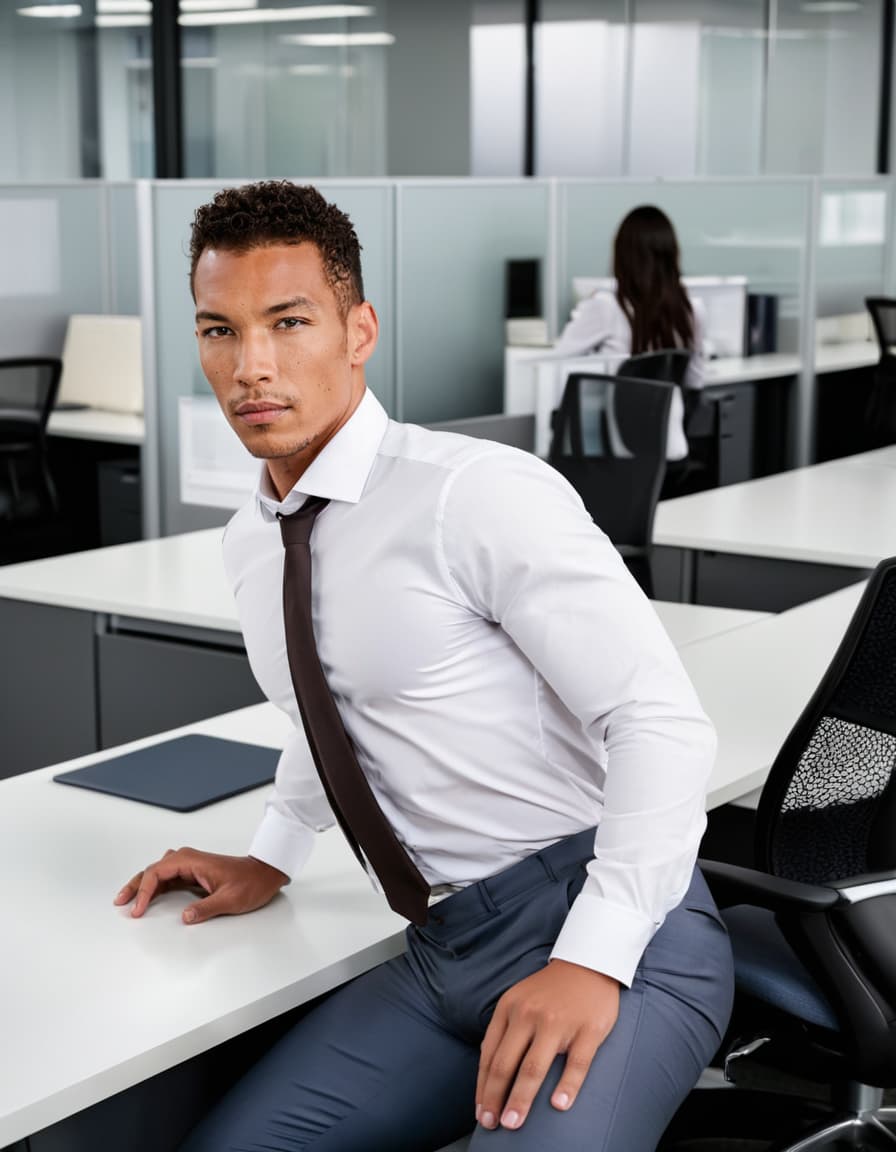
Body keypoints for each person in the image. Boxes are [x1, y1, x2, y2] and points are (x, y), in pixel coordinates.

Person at [114, 180, 733, 1152]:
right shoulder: (253, 538)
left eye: (288, 322)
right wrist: (274, 854)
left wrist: (592, 957)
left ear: (358, 331)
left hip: (613, 930)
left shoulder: (473, 493)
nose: (251, 365)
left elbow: (658, 721)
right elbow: (331, 709)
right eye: (219, 331)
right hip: (445, 951)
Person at [554, 204, 706, 461]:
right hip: (664, 438)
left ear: (622, 255)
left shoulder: (606, 306)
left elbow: (557, 360)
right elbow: (695, 381)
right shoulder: (691, 310)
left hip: (613, 446)